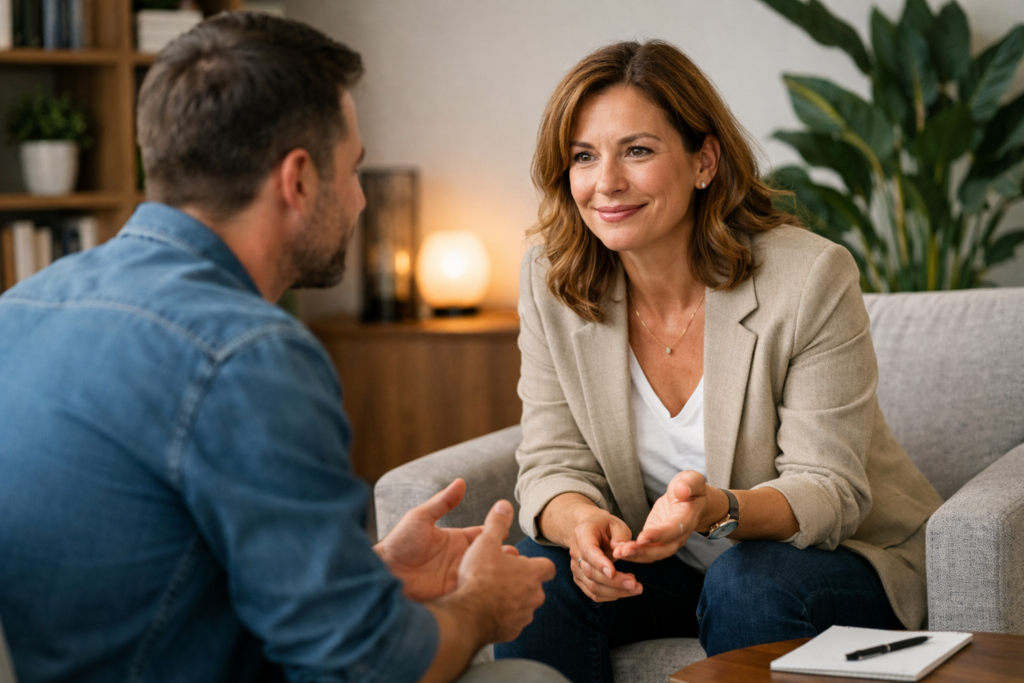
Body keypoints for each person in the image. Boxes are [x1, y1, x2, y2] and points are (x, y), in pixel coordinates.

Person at [0, 13, 562, 683]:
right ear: (297, 179)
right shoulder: (249, 354)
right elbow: (369, 669)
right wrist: (481, 604)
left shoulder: (22, 305)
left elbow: (158, 568)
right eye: (353, 169)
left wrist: (373, 571)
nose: (359, 199)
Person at [493, 40, 945, 682]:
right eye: (583, 157)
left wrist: (716, 509)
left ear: (703, 161)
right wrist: (583, 525)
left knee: (745, 579)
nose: (607, 183)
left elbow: (829, 489)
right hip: (672, 572)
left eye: (638, 151)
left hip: (836, 561)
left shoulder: (810, 276)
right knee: (536, 570)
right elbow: (550, 463)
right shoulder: (552, 281)